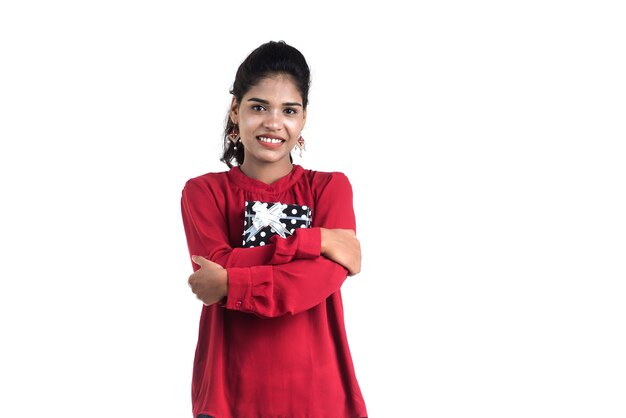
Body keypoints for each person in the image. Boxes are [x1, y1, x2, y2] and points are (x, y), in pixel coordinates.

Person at [180, 40, 368, 418]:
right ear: (235, 109)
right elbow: (215, 266)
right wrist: (317, 240)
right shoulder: (204, 192)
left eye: (289, 110)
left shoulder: (330, 188)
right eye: (258, 106)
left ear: (303, 119)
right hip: (229, 393)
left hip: (319, 395)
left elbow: (316, 281)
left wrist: (233, 282)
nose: (273, 122)